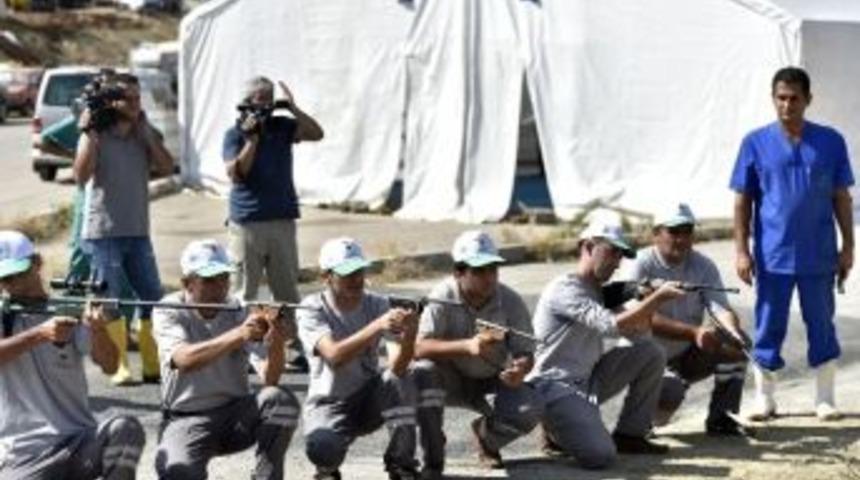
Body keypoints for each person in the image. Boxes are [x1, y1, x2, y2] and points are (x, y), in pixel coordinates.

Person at [730, 66, 855, 421]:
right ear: (773, 100)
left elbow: (841, 196)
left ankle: (826, 399)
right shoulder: (754, 142)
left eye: (794, 98)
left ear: (808, 99)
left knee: (822, 324)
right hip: (772, 256)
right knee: (769, 325)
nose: (787, 105)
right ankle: (764, 400)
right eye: (781, 98)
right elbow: (742, 201)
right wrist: (741, 250)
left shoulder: (831, 141)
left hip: (819, 254)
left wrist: (849, 246)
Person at [526, 219, 686, 469]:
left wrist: (640, 297)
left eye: (621, 254)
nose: (617, 261)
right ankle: (551, 428)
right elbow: (611, 325)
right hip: (555, 385)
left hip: (587, 380)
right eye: (612, 252)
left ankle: (629, 435)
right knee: (601, 456)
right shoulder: (566, 289)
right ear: (589, 247)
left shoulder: (599, 291)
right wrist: (656, 299)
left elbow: (637, 333)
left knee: (651, 352)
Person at [0, 230, 145, 480]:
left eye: (18, 274)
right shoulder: (5, 314)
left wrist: (99, 330)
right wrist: (40, 334)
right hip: (25, 454)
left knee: (126, 429)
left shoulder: (67, 309)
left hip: (79, 441)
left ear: (37, 264)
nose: (10, 283)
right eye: (4, 277)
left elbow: (110, 366)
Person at [152, 239, 300, 479]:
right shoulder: (168, 309)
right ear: (187, 283)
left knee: (280, 400)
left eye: (224, 278)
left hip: (235, 417)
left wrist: (276, 343)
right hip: (186, 418)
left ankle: (266, 476)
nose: (219, 287)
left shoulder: (239, 309)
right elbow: (184, 360)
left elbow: (270, 378)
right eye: (209, 280)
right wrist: (239, 334)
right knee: (178, 472)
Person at [413, 230, 542, 476]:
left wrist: (520, 369)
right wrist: (466, 346)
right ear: (458, 273)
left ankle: (486, 438)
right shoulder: (442, 296)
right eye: (479, 271)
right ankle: (432, 451)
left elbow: (526, 351)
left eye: (493, 269)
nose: (489, 277)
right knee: (421, 372)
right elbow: (418, 348)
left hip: (491, 379)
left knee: (530, 408)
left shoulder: (510, 300)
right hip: (449, 378)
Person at [73, 72, 175, 386]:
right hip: (104, 232)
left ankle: (151, 366)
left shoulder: (144, 132)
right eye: (127, 98)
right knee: (111, 301)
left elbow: (167, 167)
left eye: (137, 97)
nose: (134, 103)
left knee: (153, 298)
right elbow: (80, 174)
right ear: (112, 101)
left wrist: (145, 131)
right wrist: (89, 132)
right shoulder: (97, 133)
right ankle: (119, 368)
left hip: (138, 230)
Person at [222, 76, 324, 372]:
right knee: (244, 291)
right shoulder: (235, 134)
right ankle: (241, 348)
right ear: (245, 102)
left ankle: (293, 348)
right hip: (247, 222)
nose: (265, 103)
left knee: (287, 291)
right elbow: (236, 173)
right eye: (259, 98)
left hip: (282, 218)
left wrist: (293, 108)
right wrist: (252, 139)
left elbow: (317, 133)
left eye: (269, 97)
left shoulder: (282, 127)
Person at [296, 237, 420, 480]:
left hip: (367, 399)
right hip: (328, 403)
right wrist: (376, 326)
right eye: (347, 273)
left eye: (359, 271)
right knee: (322, 449)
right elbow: (333, 355)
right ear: (326, 277)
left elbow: (398, 366)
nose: (356, 279)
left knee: (402, 379)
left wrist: (410, 335)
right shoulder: (311, 308)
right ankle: (327, 470)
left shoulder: (377, 303)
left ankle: (401, 464)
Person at [626, 203, 751, 435]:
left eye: (687, 232)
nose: (682, 239)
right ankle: (642, 423)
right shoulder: (640, 263)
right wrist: (694, 333)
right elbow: (637, 317)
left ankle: (722, 419)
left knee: (736, 343)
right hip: (646, 358)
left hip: (685, 353)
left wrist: (731, 328)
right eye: (674, 232)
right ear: (656, 234)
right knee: (670, 391)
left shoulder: (703, 265)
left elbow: (720, 307)